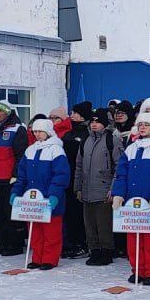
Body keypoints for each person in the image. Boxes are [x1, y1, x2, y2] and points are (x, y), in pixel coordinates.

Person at [111, 111, 150, 284]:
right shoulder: (131, 148)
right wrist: (118, 194)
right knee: (133, 239)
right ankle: (138, 269)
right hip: (132, 205)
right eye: (140, 125)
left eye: (146, 125)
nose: (142, 127)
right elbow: (121, 174)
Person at [9, 118, 70, 270]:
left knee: (51, 232)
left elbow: (60, 175)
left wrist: (54, 195)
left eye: (40, 131)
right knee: (34, 231)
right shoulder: (30, 150)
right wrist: (16, 192)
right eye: (34, 131)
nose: (36, 134)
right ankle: (37, 257)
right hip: (31, 200)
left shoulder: (56, 150)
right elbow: (22, 175)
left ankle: (49, 258)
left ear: (48, 132)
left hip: (49, 199)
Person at [75, 107, 124, 266]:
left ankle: (106, 251)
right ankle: (94, 250)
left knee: (104, 224)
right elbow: (79, 166)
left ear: (104, 123)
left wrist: (114, 188)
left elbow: (119, 166)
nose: (94, 124)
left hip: (104, 189)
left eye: (98, 122)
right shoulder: (86, 141)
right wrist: (78, 187)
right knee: (89, 224)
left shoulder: (112, 140)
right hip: (87, 189)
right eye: (93, 121)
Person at [0, 101, 29, 257]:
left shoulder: (17, 129)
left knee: (11, 214)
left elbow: (20, 155)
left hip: (9, 179)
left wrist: (15, 175)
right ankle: (2, 243)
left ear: (8, 113)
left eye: (0, 111)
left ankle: (15, 244)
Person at [60, 102, 93, 259]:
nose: (71, 115)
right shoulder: (69, 133)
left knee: (79, 213)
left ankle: (81, 243)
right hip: (68, 176)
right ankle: (70, 242)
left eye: (75, 112)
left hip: (80, 177)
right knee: (69, 213)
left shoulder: (86, 133)